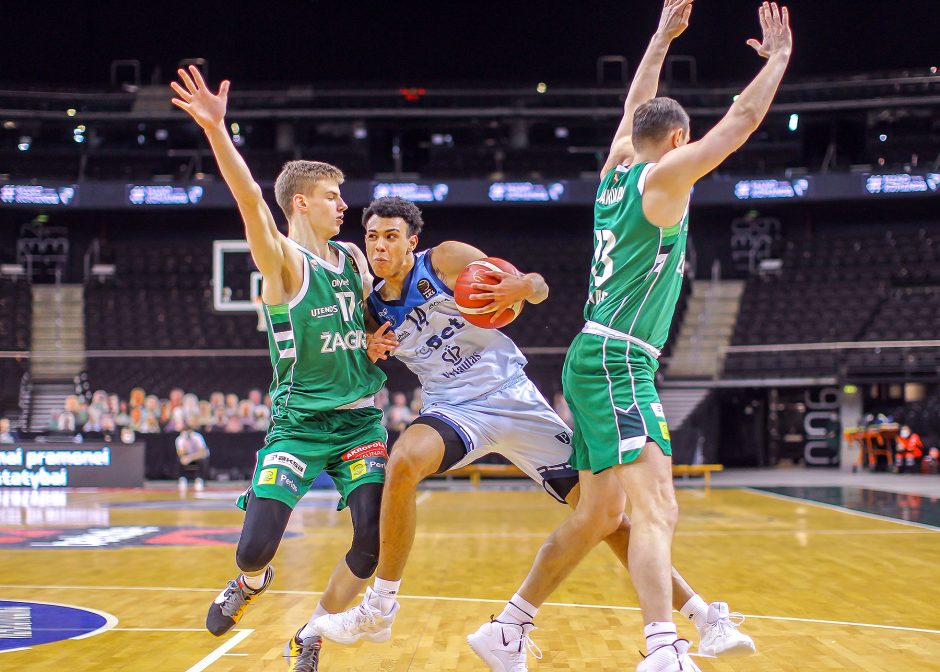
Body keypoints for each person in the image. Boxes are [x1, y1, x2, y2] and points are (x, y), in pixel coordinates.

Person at [463, 2, 792, 670]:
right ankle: (663, 649)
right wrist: (780, 58)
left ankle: (507, 627)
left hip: (596, 352)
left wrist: (660, 36)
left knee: (600, 514)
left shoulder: (616, 167)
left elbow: (636, 100)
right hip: (618, 357)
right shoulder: (663, 178)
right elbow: (743, 121)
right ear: (678, 142)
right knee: (657, 507)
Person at [314, 197, 753, 661]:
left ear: (411, 241)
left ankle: (705, 617)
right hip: (455, 409)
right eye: (372, 237)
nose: (380, 246)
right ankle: (380, 607)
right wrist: (365, 344)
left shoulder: (444, 259)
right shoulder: (369, 309)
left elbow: (538, 287)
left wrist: (521, 287)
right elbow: (347, 354)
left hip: (513, 398)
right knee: (401, 460)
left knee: (606, 519)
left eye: (391, 236)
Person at [171, 65, 388, 672]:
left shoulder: (351, 257)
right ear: (300, 203)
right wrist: (217, 131)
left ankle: (313, 632)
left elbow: (378, 310)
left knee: (370, 543)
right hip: (297, 423)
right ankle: (249, 581)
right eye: (332, 197)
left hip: (359, 424)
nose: (344, 205)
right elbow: (248, 202)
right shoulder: (284, 260)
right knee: (254, 547)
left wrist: (374, 336)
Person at [176, 421, 210, 491]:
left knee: (203, 460)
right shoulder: (180, 439)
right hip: (187, 457)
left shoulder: (197, 437)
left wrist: (190, 458)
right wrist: (185, 445)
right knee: (179, 460)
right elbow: (180, 454)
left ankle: (200, 479)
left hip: (197, 456)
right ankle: (183, 478)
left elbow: (202, 453)